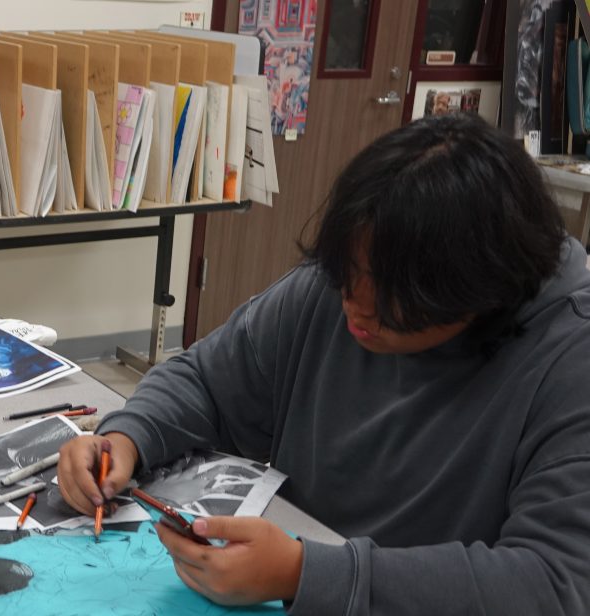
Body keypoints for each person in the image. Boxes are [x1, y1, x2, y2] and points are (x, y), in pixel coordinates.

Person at [58, 114, 590, 614]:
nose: (355, 309)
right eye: (346, 276)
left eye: (389, 298)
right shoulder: (341, 284)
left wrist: (305, 574)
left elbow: (558, 585)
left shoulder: (569, 357)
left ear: (481, 288)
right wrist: (126, 439)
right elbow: (205, 380)